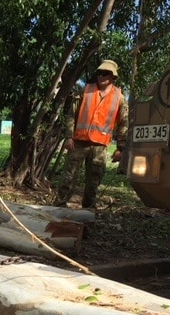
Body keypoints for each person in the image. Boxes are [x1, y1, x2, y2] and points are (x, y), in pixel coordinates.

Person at [54, 59, 129, 208]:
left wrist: (121, 147)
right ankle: (59, 206)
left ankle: (88, 211)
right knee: (68, 177)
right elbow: (71, 115)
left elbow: (123, 124)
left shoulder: (119, 98)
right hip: (79, 142)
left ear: (113, 77)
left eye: (105, 73)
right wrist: (69, 136)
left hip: (100, 147)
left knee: (94, 181)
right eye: (99, 73)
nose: (101, 76)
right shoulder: (85, 91)